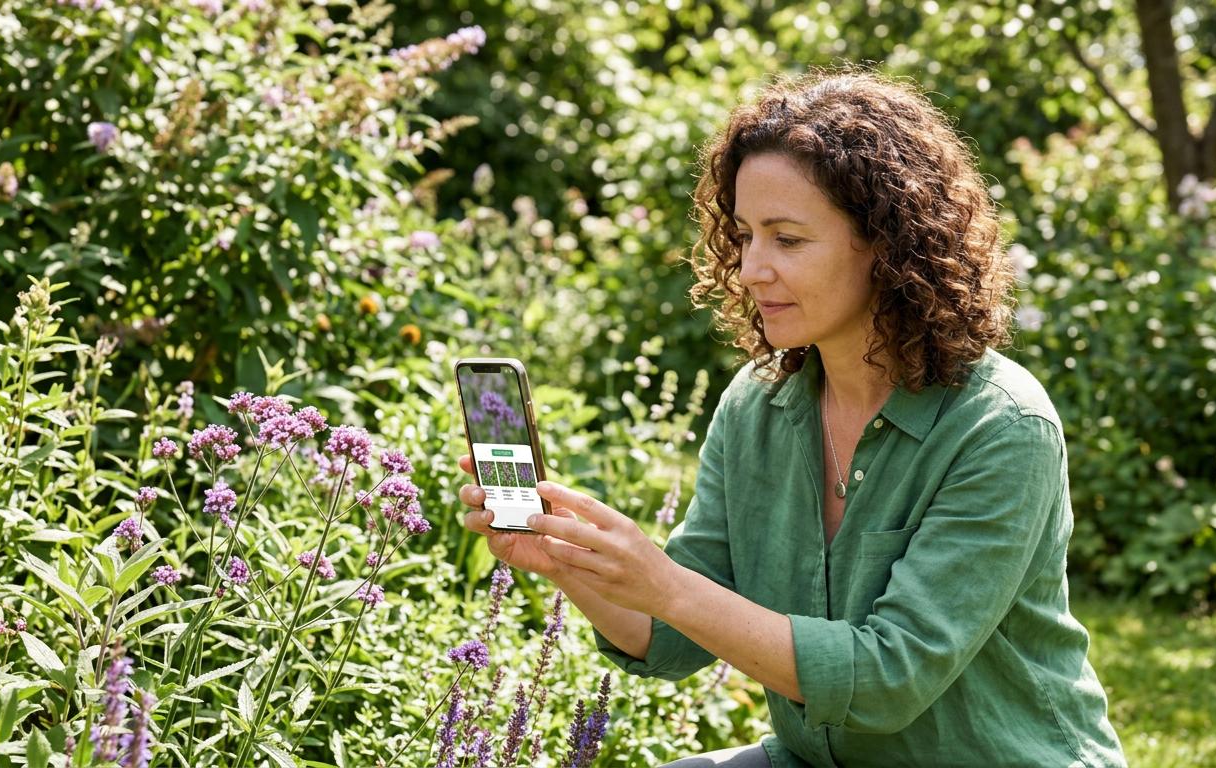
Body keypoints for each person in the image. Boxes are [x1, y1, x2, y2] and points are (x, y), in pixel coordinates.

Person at [457, 67, 1127, 767]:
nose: (750, 269)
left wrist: (666, 583)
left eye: (788, 239)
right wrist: (567, 559)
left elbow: (887, 680)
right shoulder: (759, 405)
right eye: (745, 235)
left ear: (889, 245)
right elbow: (669, 637)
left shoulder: (1001, 427)